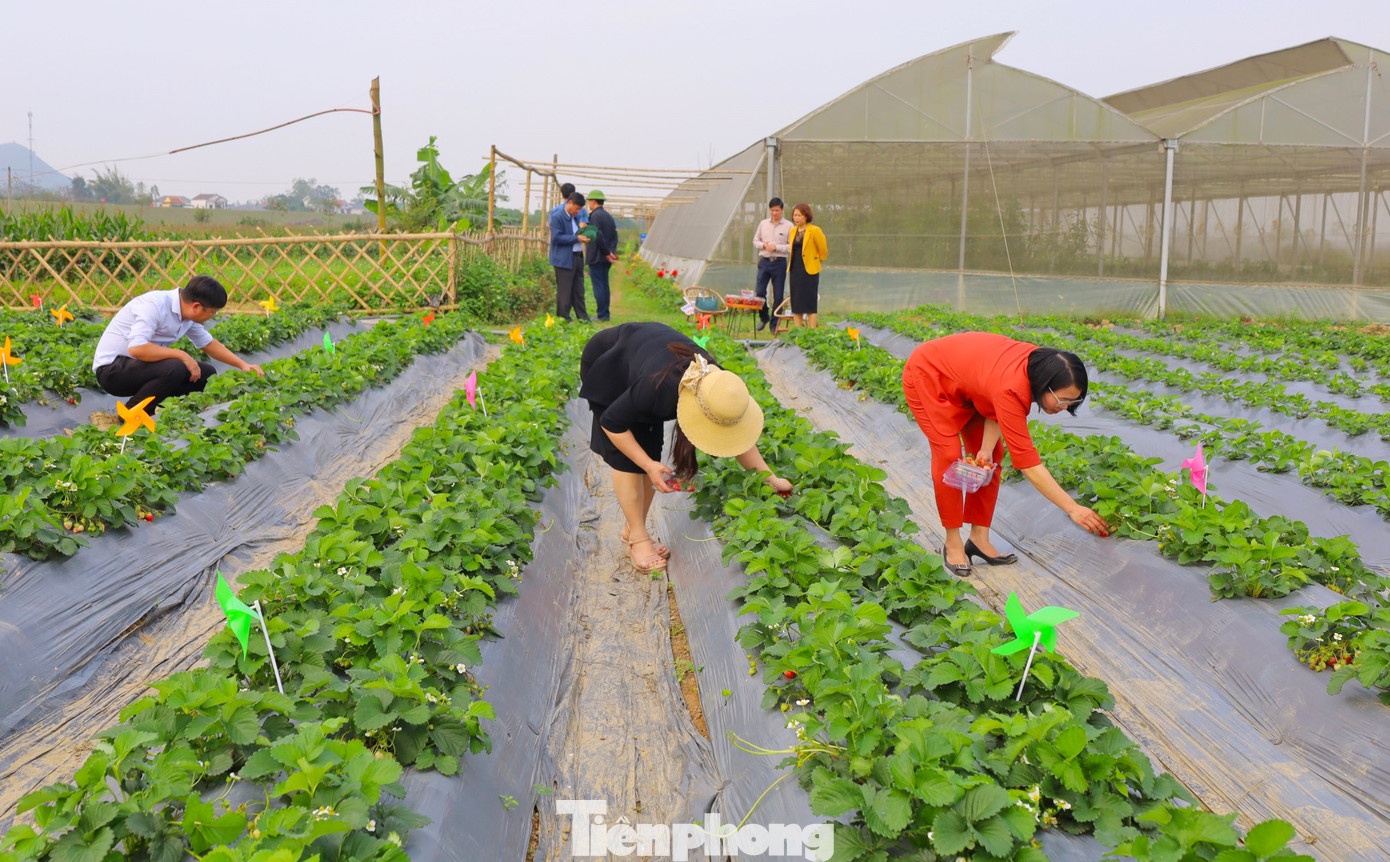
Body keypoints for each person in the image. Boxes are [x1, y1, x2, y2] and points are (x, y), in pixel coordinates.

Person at [579, 322, 794, 573]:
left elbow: (739, 442)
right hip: (610, 365)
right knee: (630, 461)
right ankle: (637, 537)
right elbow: (612, 423)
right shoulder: (657, 387)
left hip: (646, 361)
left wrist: (771, 480)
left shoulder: (720, 385)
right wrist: (648, 466)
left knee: (651, 449)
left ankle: (633, 528)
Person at [902, 331, 1110, 577]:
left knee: (991, 457)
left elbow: (994, 400)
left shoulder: (1038, 366)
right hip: (929, 375)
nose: (1065, 408)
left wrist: (986, 449)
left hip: (971, 383)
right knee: (949, 455)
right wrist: (1073, 508)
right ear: (1045, 385)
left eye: (1072, 403)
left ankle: (979, 539)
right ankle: (952, 542)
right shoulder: (1013, 386)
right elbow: (1029, 464)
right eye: (1062, 400)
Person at [91, 274, 265, 416]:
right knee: (176, 366)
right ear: (196, 306)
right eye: (212, 313)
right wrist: (181, 354)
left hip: (139, 369)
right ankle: (131, 415)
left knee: (206, 373)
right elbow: (137, 348)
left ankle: (164, 413)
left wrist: (243, 365)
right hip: (112, 371)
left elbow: (208, 343)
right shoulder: (154, 305)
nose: (212, 317)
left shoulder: (187, 316)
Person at [751, 198, 793, 332]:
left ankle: (774, 324)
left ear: (782, 210)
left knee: (778, 295)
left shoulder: (788, 226)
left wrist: (777, 247)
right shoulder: (763, 224)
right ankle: (764, 317)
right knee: (760, 292)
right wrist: (764, 245)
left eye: (777, 210)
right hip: (764, 261)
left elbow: (791, 246)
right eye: (772, 210)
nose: (774, 213)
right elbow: (755, 241)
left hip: (779, 263)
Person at [550, 191, 591, 322]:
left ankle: (582, 318)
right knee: (565, 291)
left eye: (580, 209)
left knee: (579, 290)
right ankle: (563, 318)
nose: (578, 211)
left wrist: (583, 237)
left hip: (577, 257)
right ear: (570, 203)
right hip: (564, 259)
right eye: (577, 208)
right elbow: (556, 238)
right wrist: (576, 238)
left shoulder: (574, 218)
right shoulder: (558, 217)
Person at [786, 203, 827, 329]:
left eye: (799, 215)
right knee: (796, 302)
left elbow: (823, 250)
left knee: (810, 302)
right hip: (795, 269)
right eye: (795, 215)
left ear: (806, 216)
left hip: (810, 270)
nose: (796, 218)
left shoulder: (814, 230)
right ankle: (798, 331)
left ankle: (811, 330)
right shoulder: (793, 231)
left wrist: (815, 260)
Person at [584, 190, 620, 322]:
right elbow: (615, 235)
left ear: (593, 201)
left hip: (597, 256)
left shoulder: (594, 216)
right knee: (604, 285)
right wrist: (611, 252)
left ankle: (602, 315)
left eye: (589, 201)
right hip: (606, 257)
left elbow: (597, 235)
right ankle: (605, 313)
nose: (589, 204)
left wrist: (605, 252)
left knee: (599, 285)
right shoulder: (608, 216)